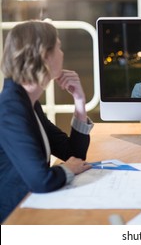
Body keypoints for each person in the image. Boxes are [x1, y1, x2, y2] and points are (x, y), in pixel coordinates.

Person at [0, 20, 94, 223]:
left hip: (32, 206)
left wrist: (79, 101)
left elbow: (74, 155)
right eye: (58, 47)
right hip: (14, 219)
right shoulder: (10, 109)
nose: (62, 53)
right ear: (45, 56)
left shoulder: (28, 103)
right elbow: (41, 181)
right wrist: (68, 169)